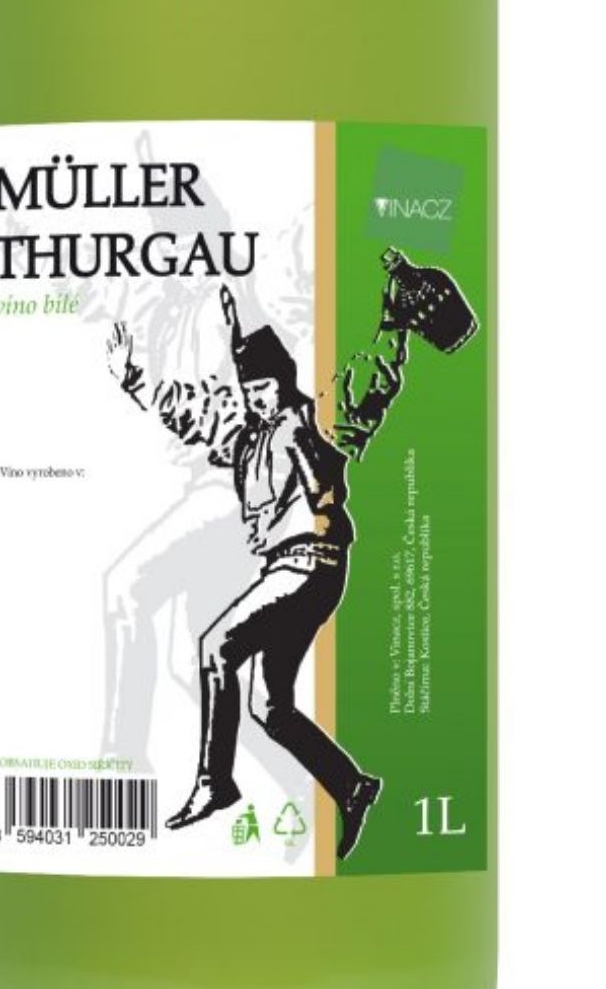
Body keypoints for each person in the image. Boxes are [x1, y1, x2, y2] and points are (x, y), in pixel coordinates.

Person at [104, 284, 416, 860]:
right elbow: (194, 414)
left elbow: (361, 388)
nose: (258, 401)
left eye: (266, 388)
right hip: (289, 570)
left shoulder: (312, 419)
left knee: (216, 645)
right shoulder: (247, 439)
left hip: (311, 563)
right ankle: (352, 787)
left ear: (285, 381)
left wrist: (393, 324)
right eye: (250, 393)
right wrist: (135, 380)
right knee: (269, 708)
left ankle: (214, 782)